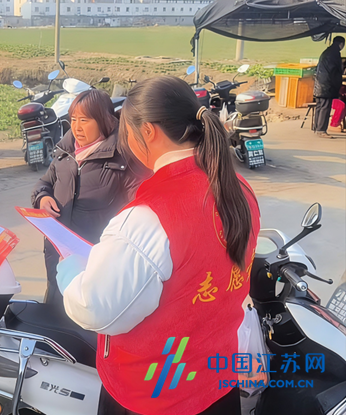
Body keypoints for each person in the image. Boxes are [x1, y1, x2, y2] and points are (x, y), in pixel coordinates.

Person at [56, 76, 260, 415]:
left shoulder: (147, 218)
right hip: (217, 383)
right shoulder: (239, 189)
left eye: (127, 132)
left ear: (148, 131)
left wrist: (72, 274)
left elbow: (96, 308)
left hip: (156, 394)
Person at [31, 89, 147, 309]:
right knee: (56, 311)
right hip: (57, 252)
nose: (77, 127)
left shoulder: (124, 157)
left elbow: (139, 209)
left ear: (104, 121)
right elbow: (44, 183)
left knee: (88, 314)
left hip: (95, 260)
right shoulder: (65, 152)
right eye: (73, 119)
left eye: (84, 120)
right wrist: (43, 198)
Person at [314, 36, 344, 138]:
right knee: (325, 107)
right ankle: (321, 130)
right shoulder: (334, 54)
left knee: (320, 106)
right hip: (327, 85)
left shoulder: (327, 52)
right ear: (341, 44)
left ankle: (317, 128)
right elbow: (334, 72)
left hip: (319, 83)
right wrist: (338, 85)